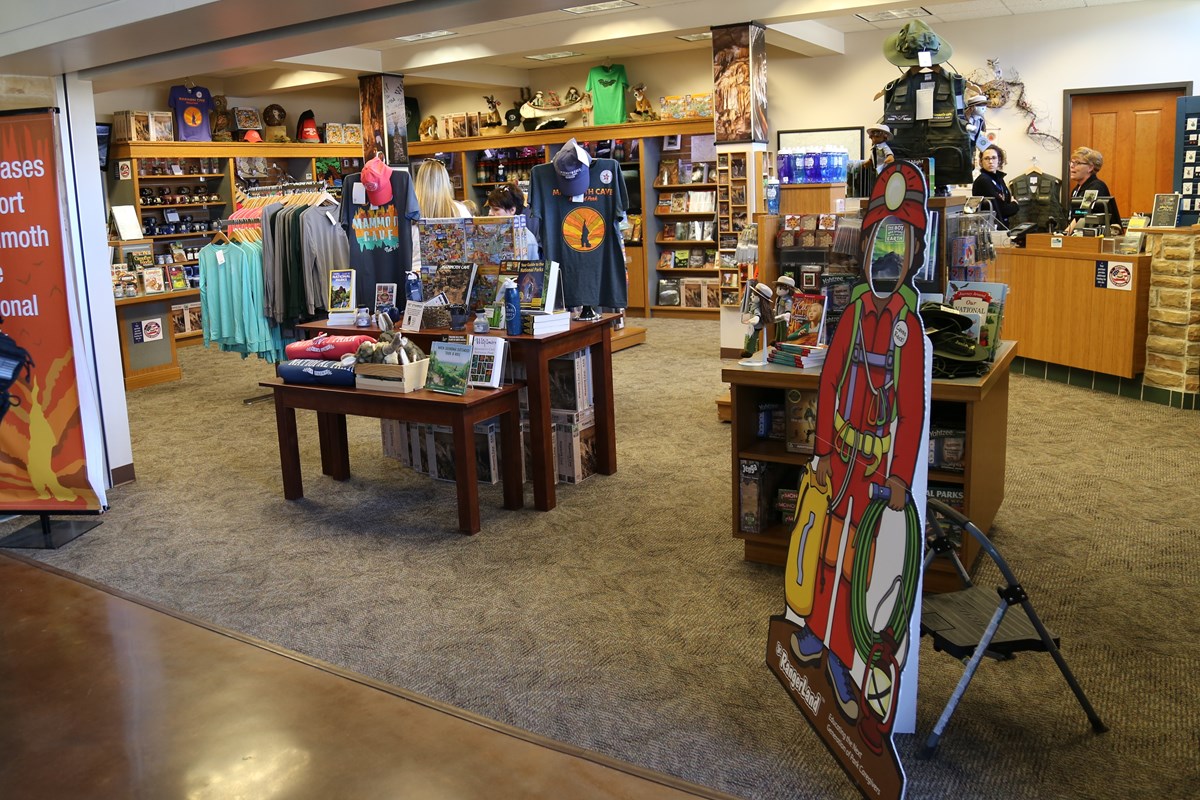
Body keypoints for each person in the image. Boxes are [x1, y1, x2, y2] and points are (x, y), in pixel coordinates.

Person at [1067, 146, 1122, 233]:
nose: (1071, 166)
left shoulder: (1096, 187)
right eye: (1071, 162)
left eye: (1077, 163)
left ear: (1090, 168)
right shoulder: (1076, 190)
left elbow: (1082, 215)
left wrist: (1065, 234)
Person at [486, 182, 540, 258]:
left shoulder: (527, 240)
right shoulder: (492, 235)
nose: (490, 213)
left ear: (512, 210)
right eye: (490, 208)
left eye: (496, 209)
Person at [971, 144, 1019, 228]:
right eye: (986, 158)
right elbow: (1002, 210)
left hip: (1003, 226)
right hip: (990, 228)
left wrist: (1009, 205)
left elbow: (1004, 204)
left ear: (999, 160)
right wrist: (1015, 204)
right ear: (981, 162)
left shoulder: (999, 179)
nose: (990, 161)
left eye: (994, 158)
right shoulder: (983, 180)